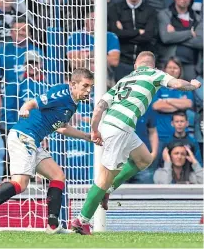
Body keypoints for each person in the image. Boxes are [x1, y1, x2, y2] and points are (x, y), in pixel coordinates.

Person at [71, 51, 202, 235]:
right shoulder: (154, 74)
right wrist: (193, 85)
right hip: (120, 128)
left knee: (144, 159)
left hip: (113, 125)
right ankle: (81, 220)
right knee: (104, 177)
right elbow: (178, 83)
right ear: (153, 66)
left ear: (135, 66)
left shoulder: (124, 80)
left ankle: (108, 189)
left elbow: (100, 105)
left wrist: (94, 129)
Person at [0, 68, 94, 234]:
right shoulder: (62, 93)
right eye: (85, 86)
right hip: (23, 136)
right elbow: (33, 102)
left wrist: (86, 136)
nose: (88, 90)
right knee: (20, 183)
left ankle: (53, 226)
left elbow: (62, 127)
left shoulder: (73, 104)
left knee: (58, 176)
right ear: (73, 84)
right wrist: (25, 108)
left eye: (91, 87)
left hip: (34, 140)